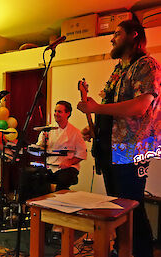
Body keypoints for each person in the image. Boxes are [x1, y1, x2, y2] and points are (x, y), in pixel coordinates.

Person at [77, 20, 160, 257]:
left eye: (117, 33)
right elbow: (112, 108)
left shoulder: (147, 65)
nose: (112, 38)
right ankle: (120, 249)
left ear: (134, 35)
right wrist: (96, 129)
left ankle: (141, 252)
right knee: (117, 205)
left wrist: (95, 109)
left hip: (133, 148)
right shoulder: (118, 70)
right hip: (109, 147)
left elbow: (140, 107)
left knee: (131, 206)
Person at [36, 100, 87, 191]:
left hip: (68, 168)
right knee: (34, 177)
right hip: (50, 166)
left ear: (67, 113)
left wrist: (69, 162)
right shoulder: (47, 130)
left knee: (63, 180)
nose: (56, 114)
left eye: (59, 111)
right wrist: (42, 143)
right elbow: (39, 148)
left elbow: (82, 154)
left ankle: (60, 202)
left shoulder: (76, 132)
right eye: (55, 111)